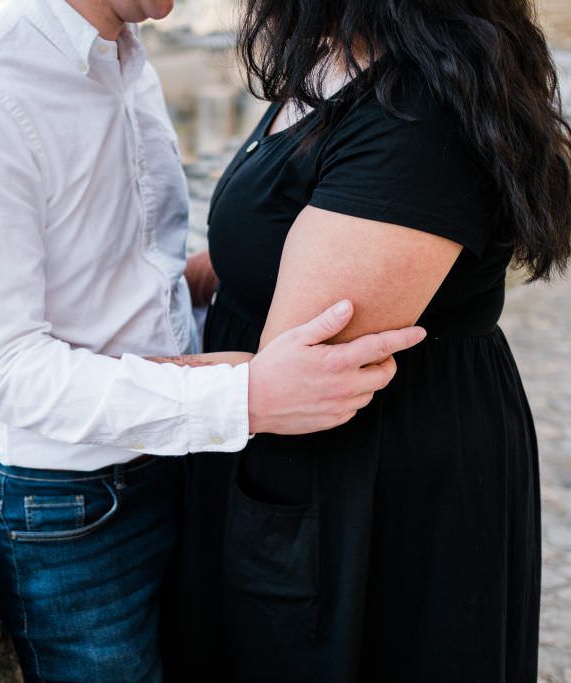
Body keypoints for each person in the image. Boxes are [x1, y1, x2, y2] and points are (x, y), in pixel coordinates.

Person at [0, 0, 426, 680]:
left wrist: (249, 266)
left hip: (173, 461)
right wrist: (245, 396)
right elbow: (9, 374)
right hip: (70, 508)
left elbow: (131, 274)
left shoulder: (123, 56)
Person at [166, 0, 571, 681]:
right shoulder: (338, 55)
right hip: (314, 472)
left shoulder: (417, 113)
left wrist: (66, 368)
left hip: (376, 479)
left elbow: (299, 373)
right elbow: (264, 239)